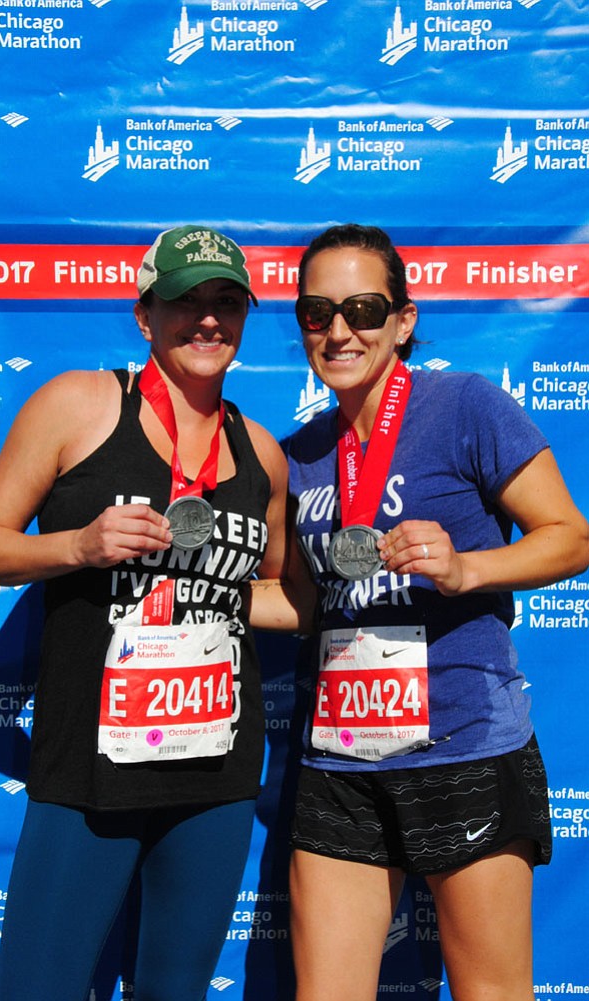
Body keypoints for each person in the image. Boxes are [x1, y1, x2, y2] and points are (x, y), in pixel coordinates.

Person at [0, 225, 293, 1001]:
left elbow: (272, 595)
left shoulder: (263, 454)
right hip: (90, 770)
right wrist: (78, 544)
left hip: (216, 771)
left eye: (226, 301)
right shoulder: (78, 403)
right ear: (145, 315)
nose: (207, 319)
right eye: (186, 300)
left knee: (174, 992)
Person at [250, 223, 589, 1001]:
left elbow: (569, 537)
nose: (340, 330)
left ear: (403, 319)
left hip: (463, 743)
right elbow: (304, 602)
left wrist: (467, 567)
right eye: (316, 312)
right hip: (339, 757)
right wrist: (188, 589)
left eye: (364, 307)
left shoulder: (465, 405)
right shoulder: (302, 456)